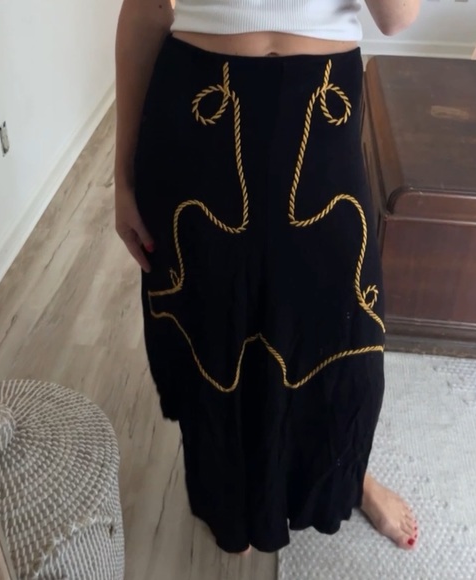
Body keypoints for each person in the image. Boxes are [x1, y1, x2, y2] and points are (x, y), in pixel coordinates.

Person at [115, 0, 421, 555]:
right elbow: (144, 10)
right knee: (216, 327)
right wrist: (122, 176)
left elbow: (396, 17)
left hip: (321, 107)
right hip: (200, 108)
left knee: (342, 331)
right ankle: (231, 498)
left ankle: (348, 477)